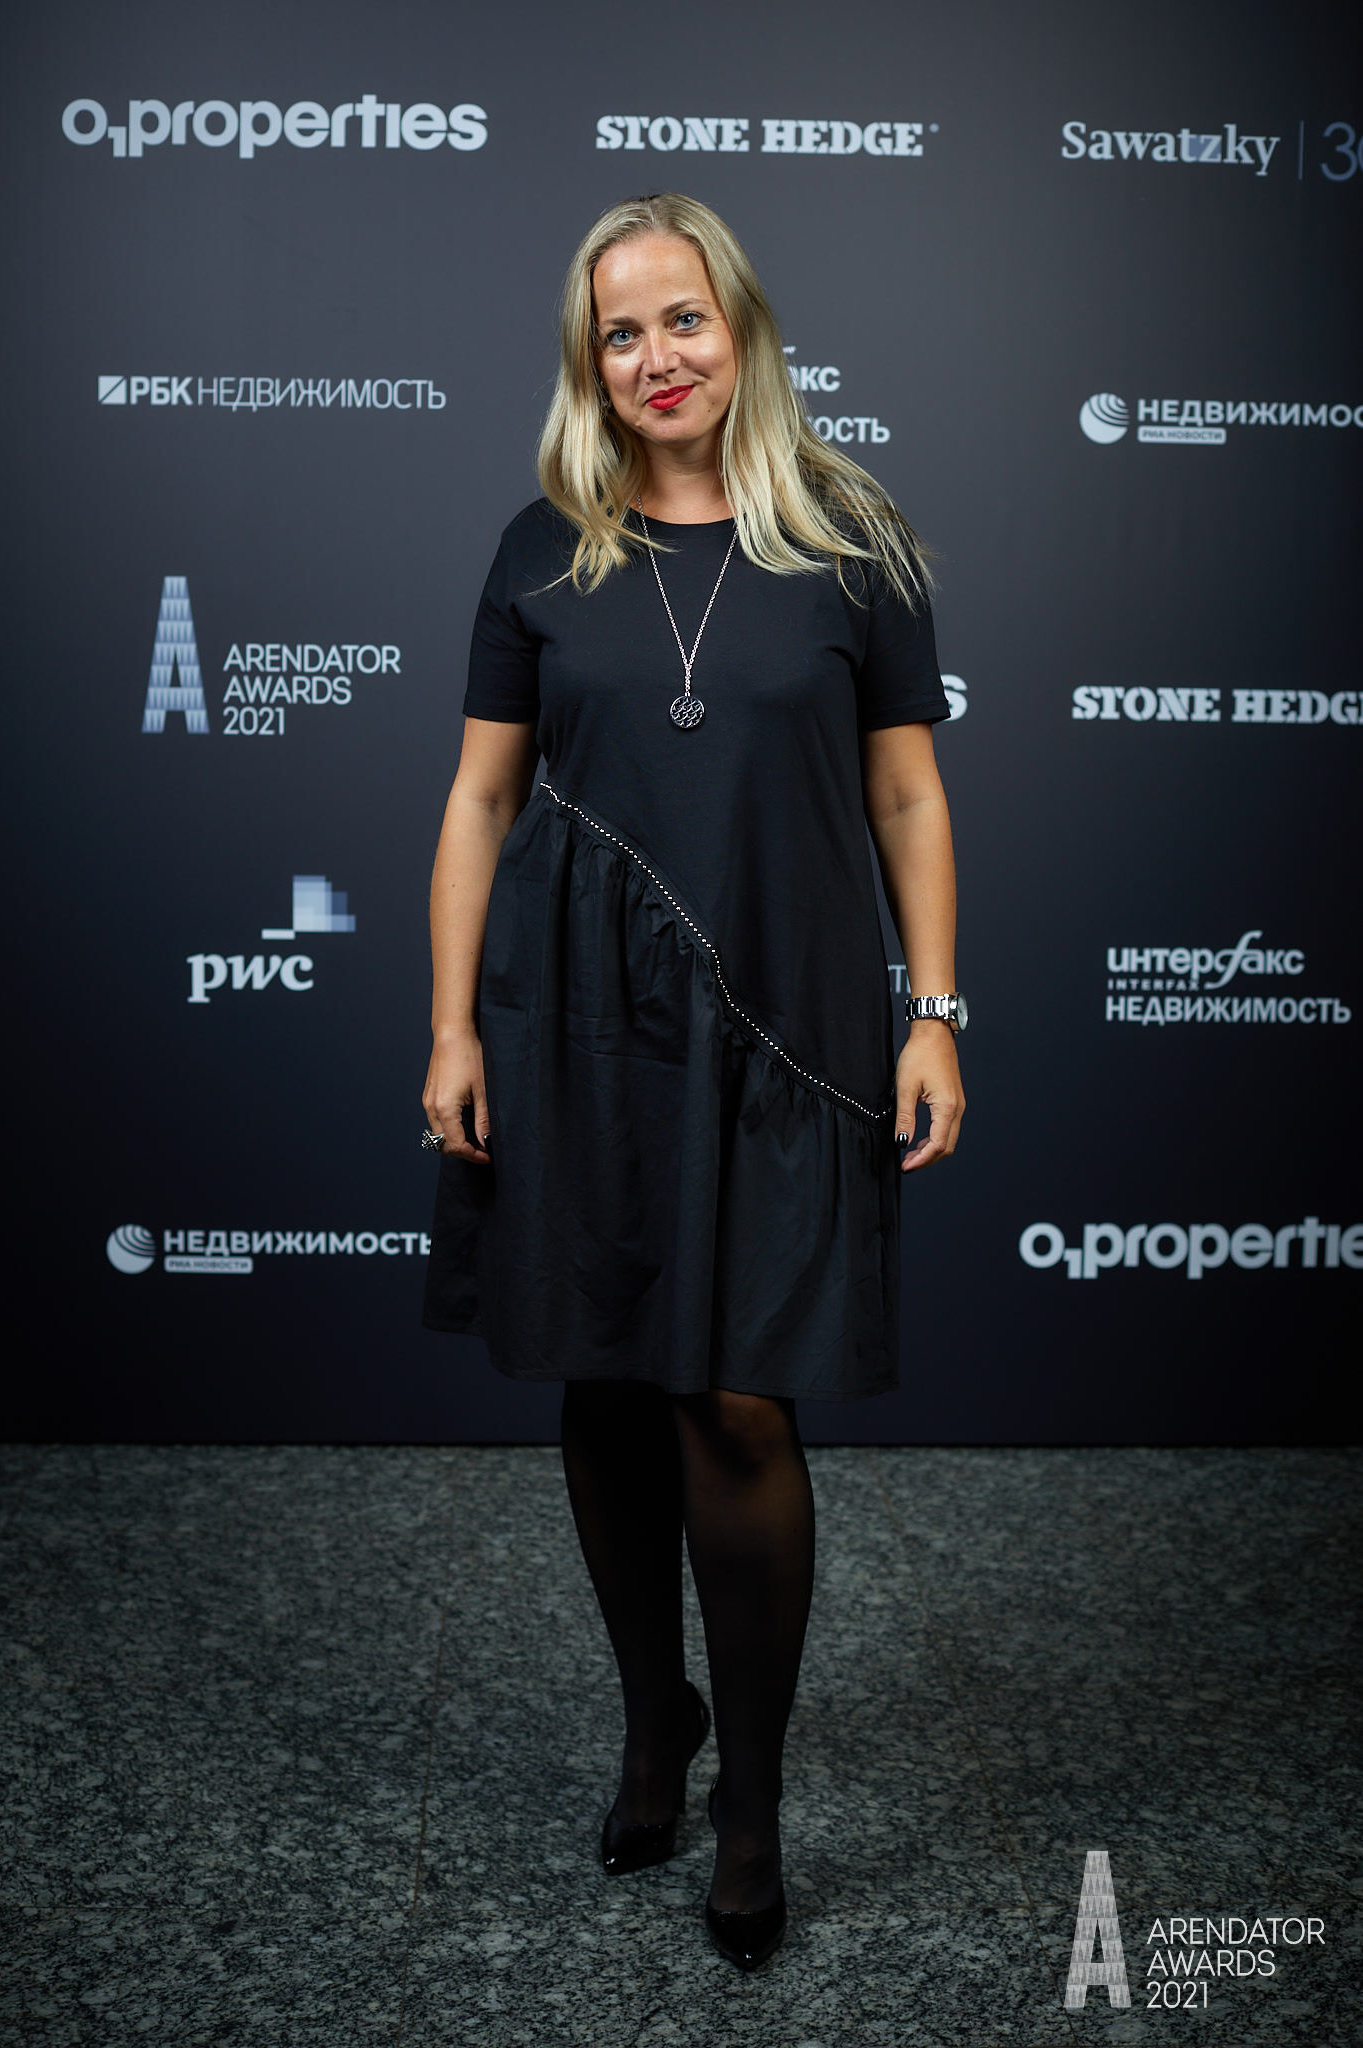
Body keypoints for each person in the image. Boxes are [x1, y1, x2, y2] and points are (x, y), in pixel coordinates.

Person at [420, 192, 965, 1971]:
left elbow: (906, 795)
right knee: (604, 1378)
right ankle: (655, 1719)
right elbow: (479, 801)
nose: (656, 358)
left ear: (742, 328)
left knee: (736, 1404)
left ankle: (751, 1806)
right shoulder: (539, 549)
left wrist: (933, 1010)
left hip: (788, 1025)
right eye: (620, 333)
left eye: (683, 319)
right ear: (589, 364)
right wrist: (452, 1028)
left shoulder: (857, 544)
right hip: (574, 1018)